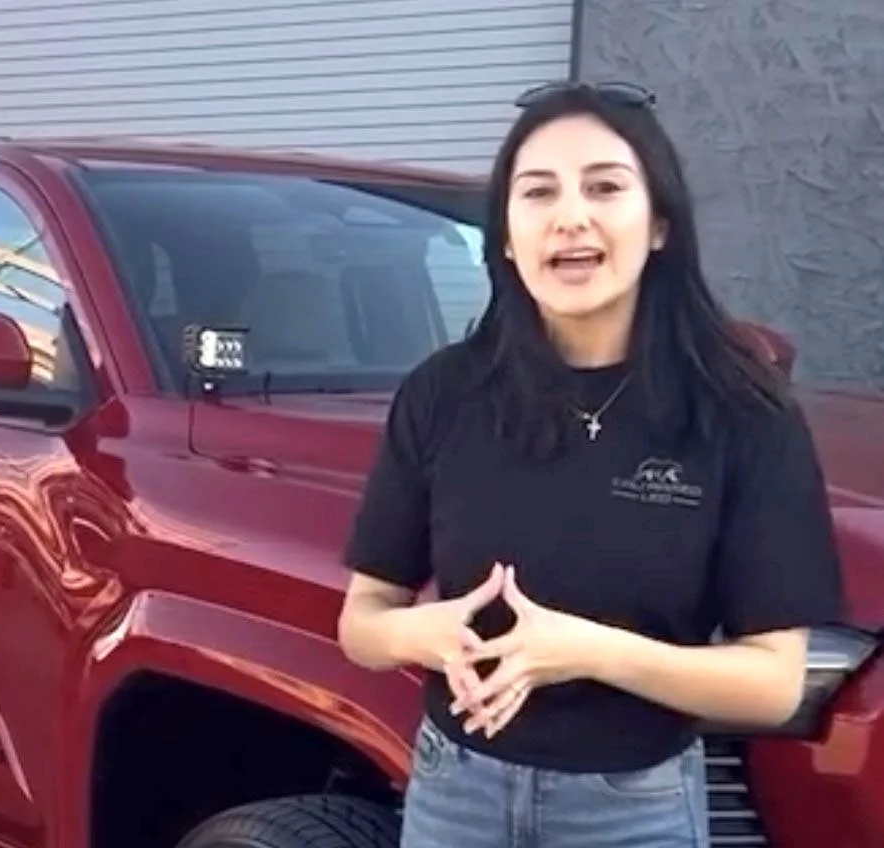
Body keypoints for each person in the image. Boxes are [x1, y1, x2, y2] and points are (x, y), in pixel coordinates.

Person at [336, 80, 845, 847]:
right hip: (455, 797)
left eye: (604, 187)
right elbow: (362, 622)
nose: (570, 216)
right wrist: (423, 634)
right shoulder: (444, 393)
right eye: (538, 192)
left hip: (632, 810)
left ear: (660, 224)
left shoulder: (742, 413)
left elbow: (773, 684)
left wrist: (589, 653)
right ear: (507, 236)